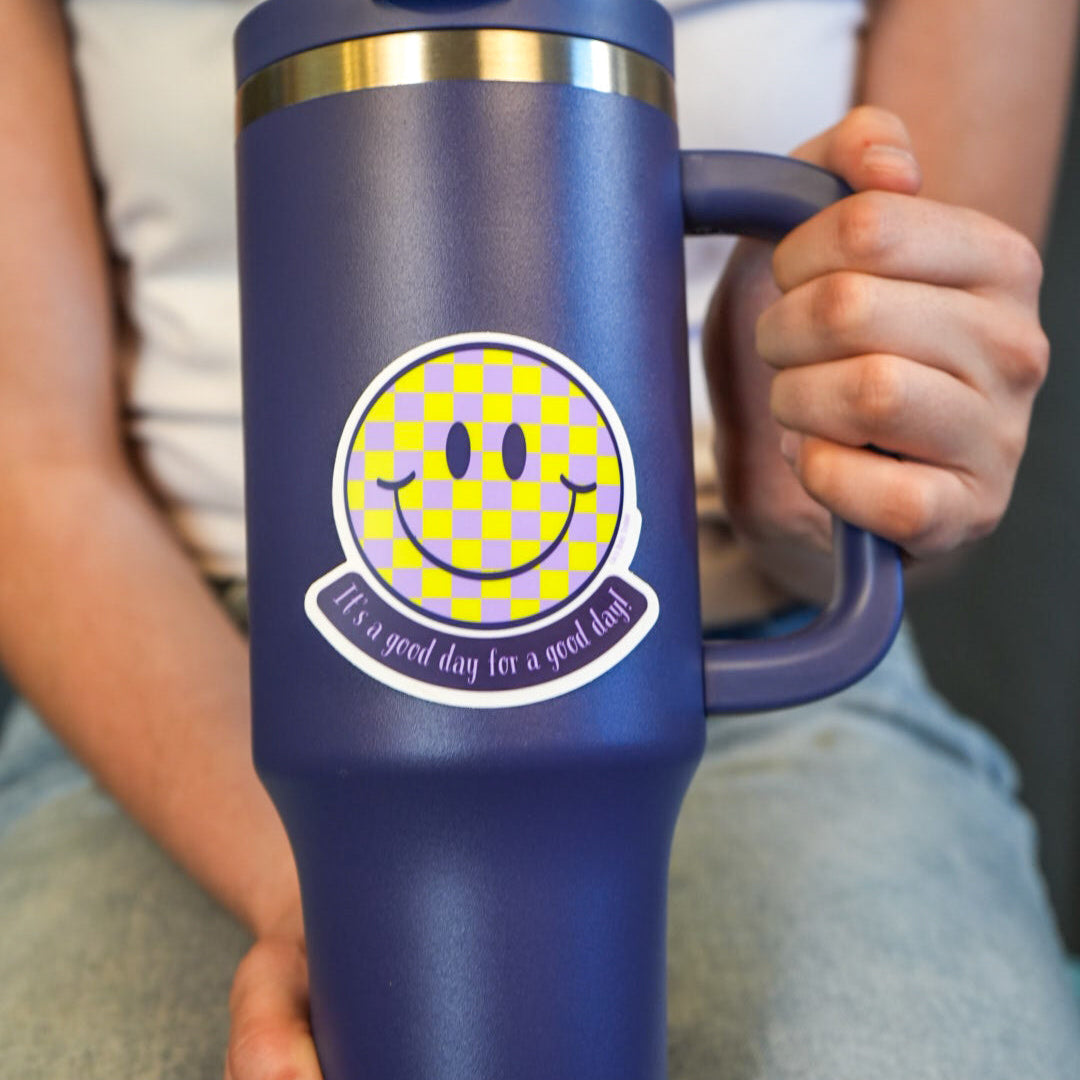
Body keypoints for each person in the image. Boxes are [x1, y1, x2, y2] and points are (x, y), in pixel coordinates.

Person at [0, 0, 1078, 1077]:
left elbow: (937, 459)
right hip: (172, 689)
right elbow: (36, 468)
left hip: (752, 664)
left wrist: (806, 467)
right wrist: (333, 887)